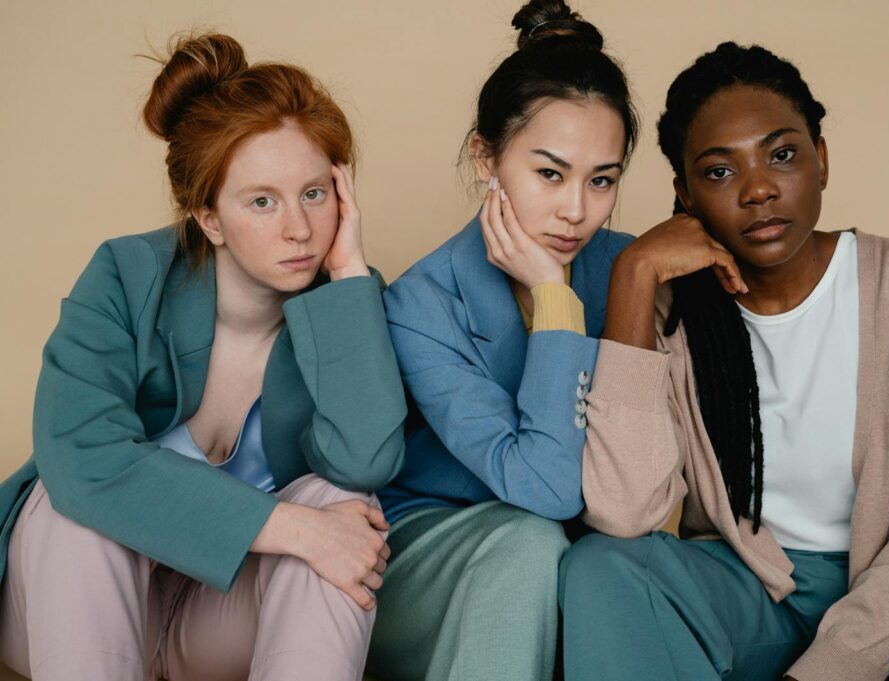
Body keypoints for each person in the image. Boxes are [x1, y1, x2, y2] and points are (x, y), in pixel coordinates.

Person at [560, 41, 889, 681]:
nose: (758, 189)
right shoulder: (673, 311)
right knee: (600, 567)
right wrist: (633, 273)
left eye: (781, 155)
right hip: (750, 595)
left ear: (821, 160)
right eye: (719, 172)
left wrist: (827, 671)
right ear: (685, 196)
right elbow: (622, 509)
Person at [0, 33, 406, 681]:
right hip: (73, 607)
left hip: (214, 621)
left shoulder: (345, 303)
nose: (299, 229)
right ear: (209, 217)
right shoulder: (126, 274)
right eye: (262, 201)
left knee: (339, 502)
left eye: (314, 193)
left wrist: (351, 270)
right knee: (67, 503)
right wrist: (292, 527)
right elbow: (80, 457)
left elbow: (367, 461)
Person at [363, 1, 638, 679]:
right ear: (486, 157)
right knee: (529, 542)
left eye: (602, 180)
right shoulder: (420, 304)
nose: (577, 210)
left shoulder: (627, 270)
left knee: (622, 572)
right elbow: (545, 488)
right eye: (550, 173)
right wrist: (553, 294)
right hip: (433, 549)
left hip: (575, 549)